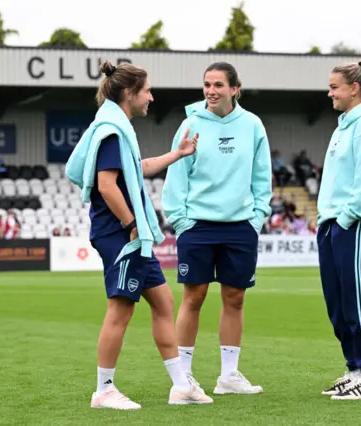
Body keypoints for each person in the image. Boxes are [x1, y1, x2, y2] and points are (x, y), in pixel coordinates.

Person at [65, 60, 213, 410]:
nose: (151, 96)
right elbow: (106, 185)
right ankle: (103, 390)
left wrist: (177, 155)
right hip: (121, 234)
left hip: (128, 234)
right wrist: (132, 223)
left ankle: (181, 386)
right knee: (120, 309)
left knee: (163, 302)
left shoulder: (116, 127)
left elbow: (137, 168)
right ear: (129, 93)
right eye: (146, 90)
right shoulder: (113, 130)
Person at [161, 62, 272, 395]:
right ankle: (184, 379)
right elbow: (177, 175)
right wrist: (181, 221)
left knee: (235, 299)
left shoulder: (252, 125)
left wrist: (256, 218)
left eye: (219, 85)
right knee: (193, 298)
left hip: (240, 226)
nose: (211, 91)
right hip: (198, 226)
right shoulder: (191, 124)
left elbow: (262, 176)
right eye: (207, 84)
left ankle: (229, 376)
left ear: (235, 89)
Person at [317, 56, 361, 400]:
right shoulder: (346, 123)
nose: (329, 92)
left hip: (357, 223)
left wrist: (347, 217)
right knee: (338, 301)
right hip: (335, 223)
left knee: (358, 298)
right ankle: (355, 370)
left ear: (354, 88)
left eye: (334, 87)